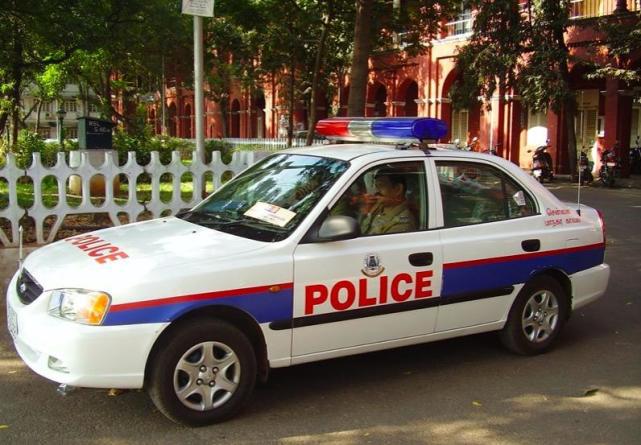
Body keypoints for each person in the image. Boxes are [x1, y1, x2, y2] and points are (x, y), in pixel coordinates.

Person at [359, 168, 416, 235]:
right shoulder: (378, 206)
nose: (375, 191)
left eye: (381, 185)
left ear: (398, 189)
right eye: (376, 186)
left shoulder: (403, 223)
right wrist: (366, 212)